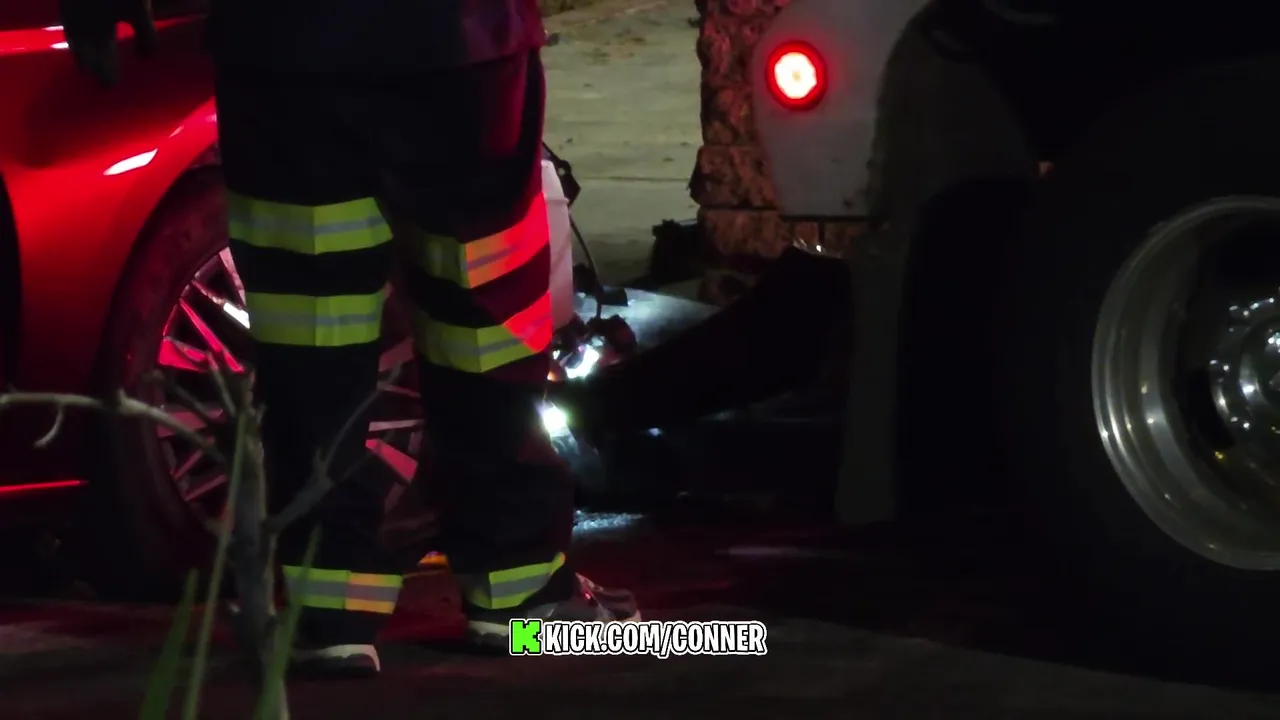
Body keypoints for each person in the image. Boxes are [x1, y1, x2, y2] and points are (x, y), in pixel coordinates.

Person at [59, 0, 640, 677]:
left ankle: (328, 613)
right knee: (485, 317)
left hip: (285, 50)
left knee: (311, 332)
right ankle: (521, 593)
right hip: (456, 43)